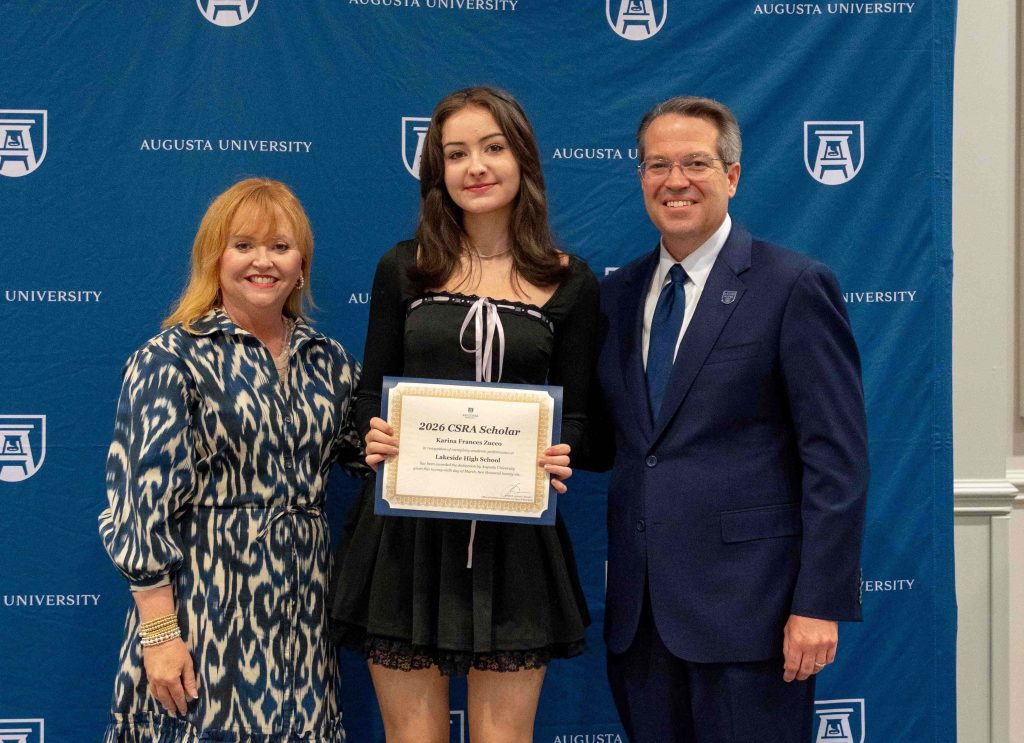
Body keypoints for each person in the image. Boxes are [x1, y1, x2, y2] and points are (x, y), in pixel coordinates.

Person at [592, 96, 869, 742]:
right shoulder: (615, 295)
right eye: (657, 165)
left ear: (732, 175)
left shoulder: (793, 284)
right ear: (641, 177)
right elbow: (610, 441)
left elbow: (836, 459)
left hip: (754, 619)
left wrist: (818, 603)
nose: (675, 180)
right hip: (641, 623)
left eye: (695, 163)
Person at [328, 86, 599, 742]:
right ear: (437, 172)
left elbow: (580, 417)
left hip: (515, 539)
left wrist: (561, 449)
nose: (475, 166)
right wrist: (371, 436)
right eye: (456, 154)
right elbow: (368, 397)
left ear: (522, 159)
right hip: (405, 538)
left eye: (492, 148)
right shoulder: (404, 268)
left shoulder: (571, 281)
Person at [98, 178, 365, 742]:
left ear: (301, 264)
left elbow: (376, 459)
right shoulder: (170, 359)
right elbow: (140, 509)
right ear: (214, 258)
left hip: (303, 615)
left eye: (280, 247)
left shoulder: (330, 362)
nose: (263, 261)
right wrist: (160, 633)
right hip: (204, 610)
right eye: (243, 245)